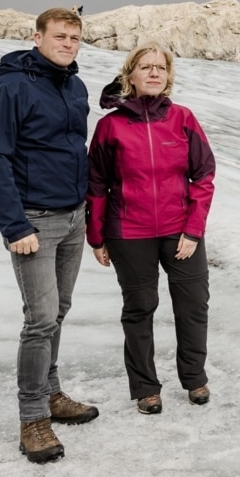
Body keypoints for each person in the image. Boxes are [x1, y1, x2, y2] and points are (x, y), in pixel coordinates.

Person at [0, 7, 100, 465]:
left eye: (74, 38)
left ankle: (51, 393)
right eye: (60, 36)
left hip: (72, 217)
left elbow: (69, 145)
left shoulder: (75, 86)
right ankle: (32, 418)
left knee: (59, 312)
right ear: (37, 36)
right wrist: (15, 227)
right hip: (34, 221)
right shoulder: (9, 88)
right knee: (41, 319)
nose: (68, 44)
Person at [86, 42, 216, 416]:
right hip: (129, 232)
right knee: (140, 308)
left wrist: (193, 231)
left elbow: (203, 175)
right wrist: (96, 237)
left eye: (160, 67)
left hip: (180, 232)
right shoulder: (110, 126)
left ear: (168, 76)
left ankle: (194, 377)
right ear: (130, 76)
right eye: (146, 67)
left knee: (193, 307)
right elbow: (96, 184)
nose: (154, 73)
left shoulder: (183, 119)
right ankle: (146, 388)